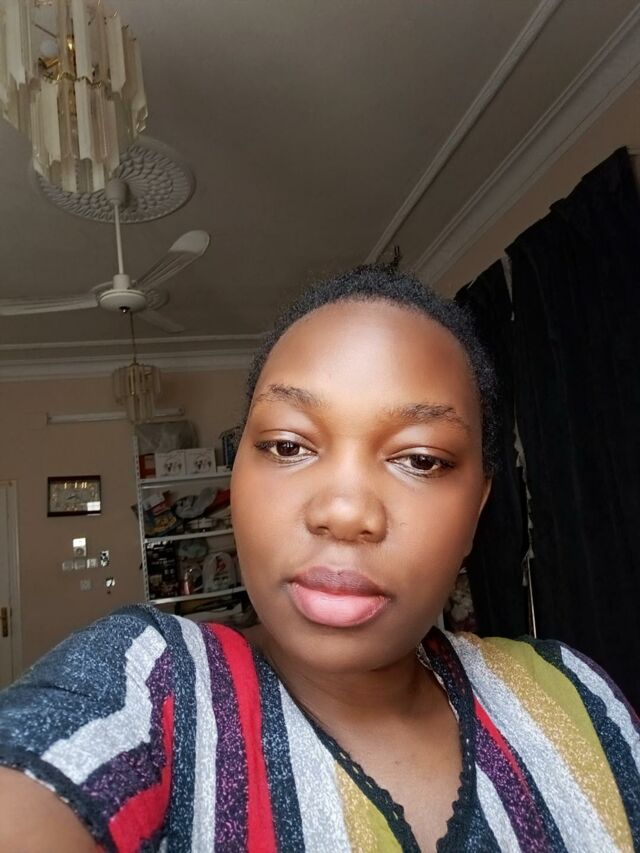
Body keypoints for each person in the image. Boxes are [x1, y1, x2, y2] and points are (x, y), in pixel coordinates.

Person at [0, 266, 638, 852]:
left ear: (476, 510)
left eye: (421, 459)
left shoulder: (575, 695)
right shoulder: (148, 681)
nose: (343, 511)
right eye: (287, 445)